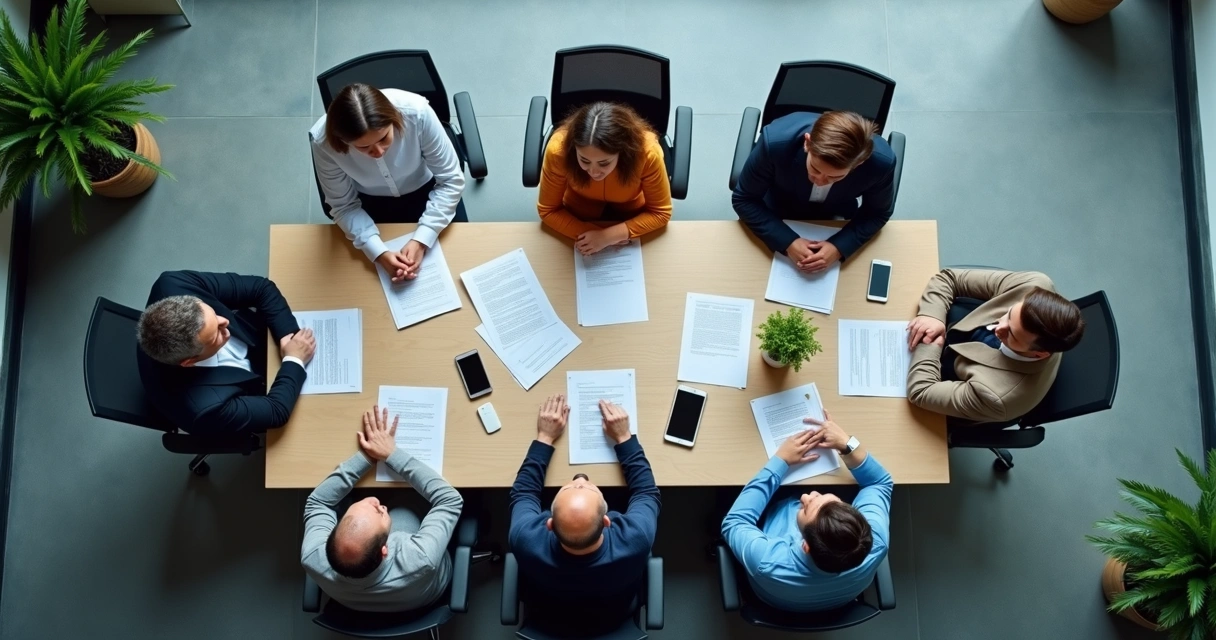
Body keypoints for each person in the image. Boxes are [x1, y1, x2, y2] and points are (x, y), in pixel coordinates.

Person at [508, 394, 661, 629]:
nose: (581, 477)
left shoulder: (526, 539)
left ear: (548, 523)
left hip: (549, 613)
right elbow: (646, 493)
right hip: (613, 615)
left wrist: (545, 437)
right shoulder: (635, 538)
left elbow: (524, 493)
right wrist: (623, 436)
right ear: (608, 521)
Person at [722, 410, 892, 612]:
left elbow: (734, 522)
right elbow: (879, 482)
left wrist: (782, 460)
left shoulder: (768, 561)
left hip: (774, 600)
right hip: (838, 599)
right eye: (831, 500)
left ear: (806, 546)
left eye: (804, 509)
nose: (806, 495)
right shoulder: (875, 539)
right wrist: (847, 444)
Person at [301, 405, 464, 612]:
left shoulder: (314, 556)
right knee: (405, 508)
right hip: (426, 595)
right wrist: (391, 454)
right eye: (380, 511)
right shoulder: (418, 556)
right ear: (385, 550)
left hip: (354, 603)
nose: (374, 500)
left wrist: (366, 457)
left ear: (330, 535)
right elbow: (450, 499)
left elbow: (317, 502)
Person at [310, 83, 467, 283]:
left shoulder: (417, 113)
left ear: (394, 120)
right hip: (370, 202)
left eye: (384, 138)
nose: (378, 153)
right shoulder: (323, 142)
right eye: (364, 147)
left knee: (460, 264)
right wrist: (378, 252)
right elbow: (343, 205)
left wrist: (422, 239)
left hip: (428, 189)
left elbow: (451, 180)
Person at [136, 270, 315, 435]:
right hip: (259, 388)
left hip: (261, 341)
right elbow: (276, 411)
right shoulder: (204, 407)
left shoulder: (174, 284)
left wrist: (287, 336)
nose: (226, 323)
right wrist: (294, 358)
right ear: (189, 361)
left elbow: (260, 288)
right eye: (216, 335)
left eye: (214, 314)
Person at [906, 269, 1086, 423]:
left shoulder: (997, 396)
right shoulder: (1034, 285)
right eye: (1009, 314)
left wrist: (930, 340)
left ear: (1039, 354)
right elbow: (949, 278)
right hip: (955, 336)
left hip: (945, 377)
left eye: (1012, 334)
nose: (998, 327)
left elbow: (921, 392)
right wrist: (932, 316)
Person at [732, 110, 895, 273]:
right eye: (815, 169)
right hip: (777, 207)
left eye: (834, 177)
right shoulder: (774, 143)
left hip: (836, 213)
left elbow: (877, 213)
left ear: (860, 163)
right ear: (807, 143)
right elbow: (744, 198)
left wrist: (838, 246)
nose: (820, 181)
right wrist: (788, 242)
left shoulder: (881, 164)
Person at [537, 102, 672, 256]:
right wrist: (592, 235)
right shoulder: (558, 151)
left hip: (632, 209)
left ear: (623, 152)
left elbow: (660, 213)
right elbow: (548, 210)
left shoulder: (647, 154)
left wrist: (608, 237)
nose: (594, 172)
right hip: (577, 209)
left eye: (604, 163)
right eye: (585, 160)